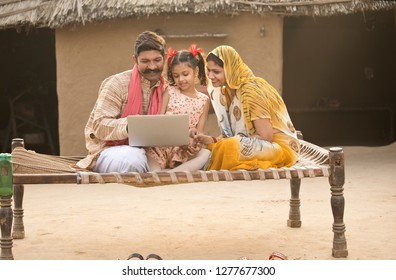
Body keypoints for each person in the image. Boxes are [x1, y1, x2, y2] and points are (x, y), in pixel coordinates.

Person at [76, 31, 199, 173]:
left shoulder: (169, 89)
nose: (152, 66)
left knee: (203, 155)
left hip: (155, 153)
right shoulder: (117, 84)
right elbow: (98, 126)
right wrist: (131, 126)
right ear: (135, 60)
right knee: (132, 160)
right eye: (145, 61)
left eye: (157, 60)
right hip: (113, 151)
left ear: (165, 58)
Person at [192, 45, 300, 170]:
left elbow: (266, 137)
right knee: (213, 145)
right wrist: (210, 139)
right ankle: (180, 173)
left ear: (230, 69)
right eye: (208, 70)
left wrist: (222, 143)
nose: (210, 76)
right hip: (252, 144)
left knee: (230, 146)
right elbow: (233, 136)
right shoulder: (226, 92)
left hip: (278, 148)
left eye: (216, 72)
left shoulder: (251, 91)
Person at [146, 44, 211, 171]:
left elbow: (200, 132)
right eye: (176, 76)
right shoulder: (169, 92)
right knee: (150, 161)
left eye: (185, 74)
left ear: (196, 72)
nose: (181, 79)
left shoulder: (204, 100)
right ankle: (159, 173)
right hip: (161, 148)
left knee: (206, 154)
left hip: (183, 151)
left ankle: (174, 174)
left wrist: (196, 144)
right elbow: (159, 121)